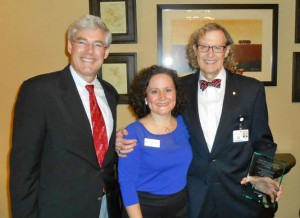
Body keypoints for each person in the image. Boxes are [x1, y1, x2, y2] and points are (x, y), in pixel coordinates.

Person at [115, 23, 282, 218]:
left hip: (239, 196)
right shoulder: (178, 89)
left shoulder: (251, 90)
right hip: (193, 199)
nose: (210, 53)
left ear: (227, 50)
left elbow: (264, 142)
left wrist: (261, 176)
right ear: (195, 50)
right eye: (203, 46)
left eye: (217, 47)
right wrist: (121, 140)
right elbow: (159, 123)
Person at [10, 15, 121, 218]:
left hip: (106, 207)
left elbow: (96, 151)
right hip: (58, 209)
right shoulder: (39, 91)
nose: (89, 51)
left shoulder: (110, 93)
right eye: (82, 42)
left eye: (97, 44)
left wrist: (117, 146)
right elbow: (23, 168)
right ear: (70, 46)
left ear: (106, 52)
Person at [118, 65, 192, 218]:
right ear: (145, 97)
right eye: (154, 91)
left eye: (168, 90)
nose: (162, 97)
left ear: (176, 94)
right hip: (145, 209)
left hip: (181, 207)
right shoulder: (132, 133)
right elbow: (127, 184)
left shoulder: (184, 124)